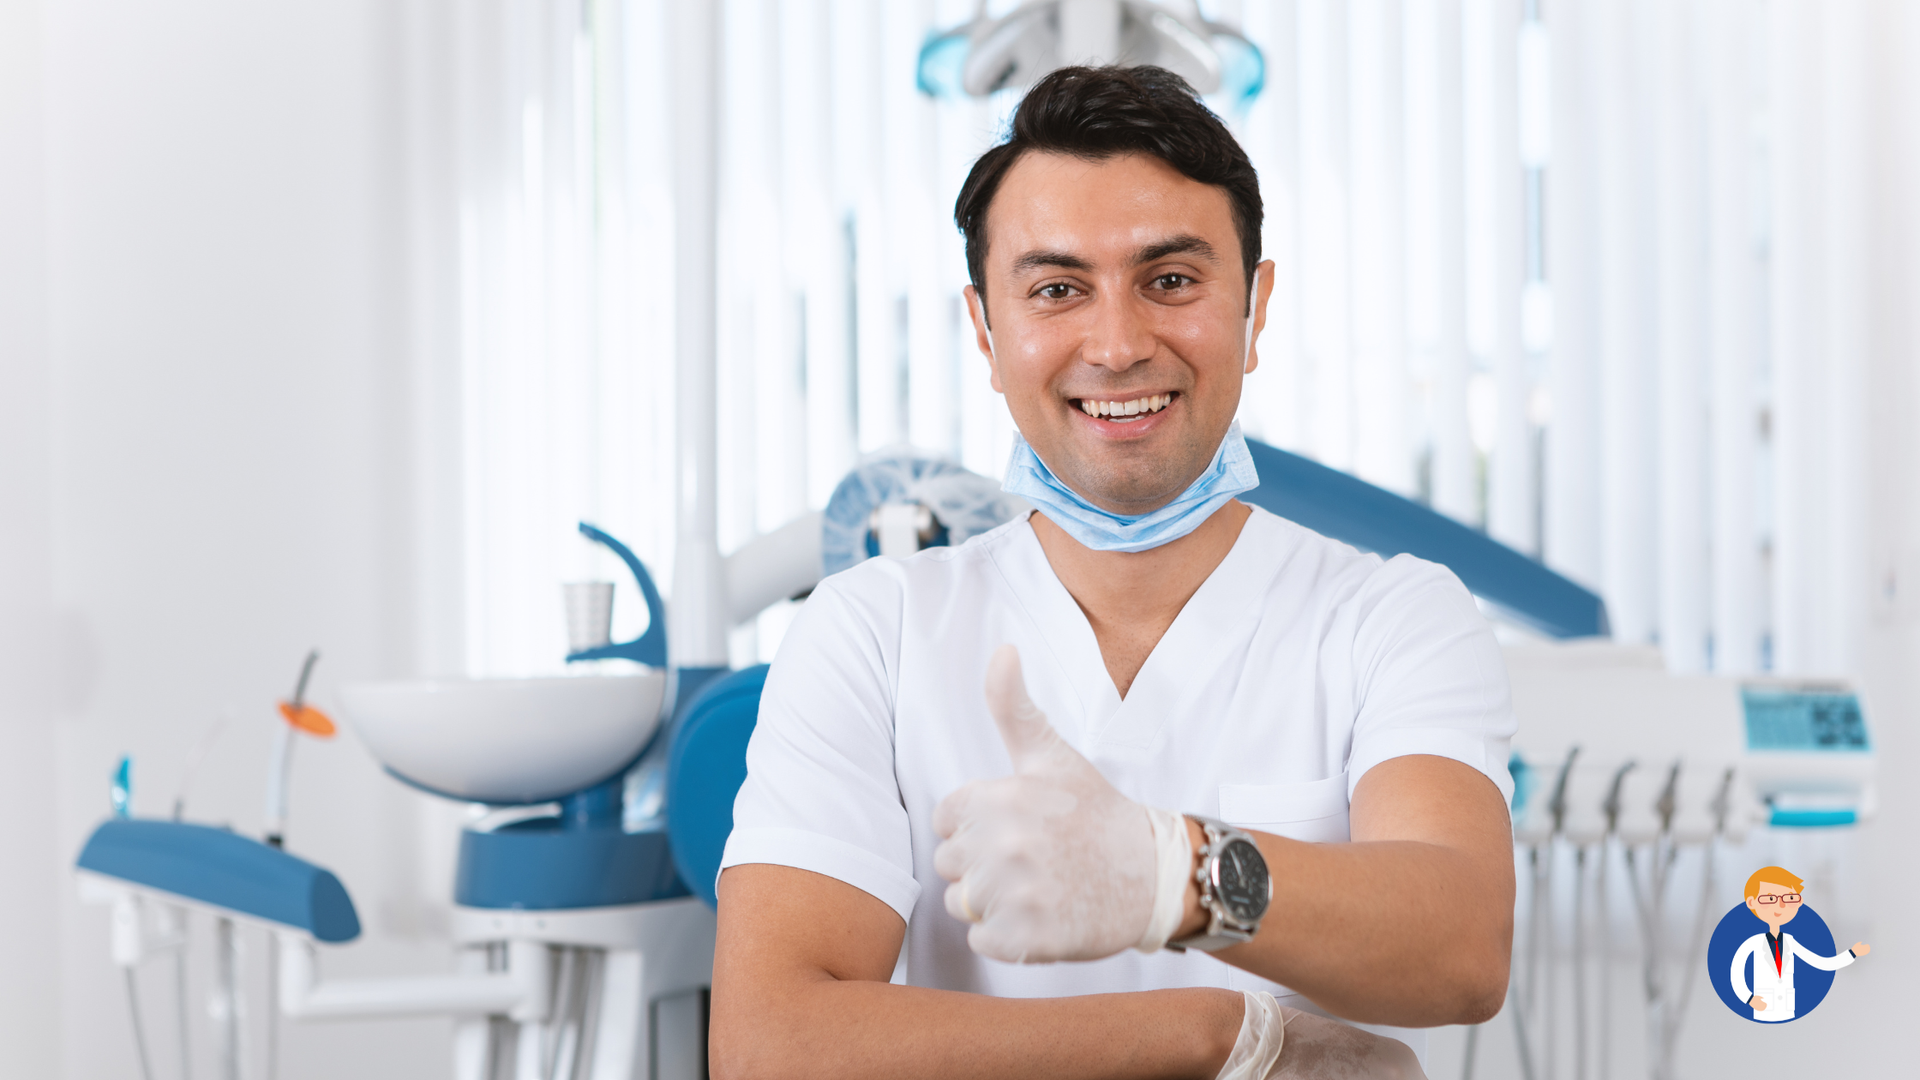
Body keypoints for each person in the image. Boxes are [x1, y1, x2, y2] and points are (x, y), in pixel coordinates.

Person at [710, 65, 1516, 1080]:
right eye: (1056, 290)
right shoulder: (876, 631)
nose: (1119, 343)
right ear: (986, 331)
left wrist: (1164, 870)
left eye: (1171, 281)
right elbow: (770, 1045)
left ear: (1254, 308)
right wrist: (1217, 1029)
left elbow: (1461, 948)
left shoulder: (1391, 617)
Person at [1730, 866, 1869, 1022]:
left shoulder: (1790, 941)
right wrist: (1749, 998)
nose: (1780, 906)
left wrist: (1852, 953)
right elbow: (1736, 974)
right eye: (1769, 899)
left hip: (1787, 1011)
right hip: (1763, 1013)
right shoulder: (1751, 943)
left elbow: (1822, 962)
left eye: (1788, 899)